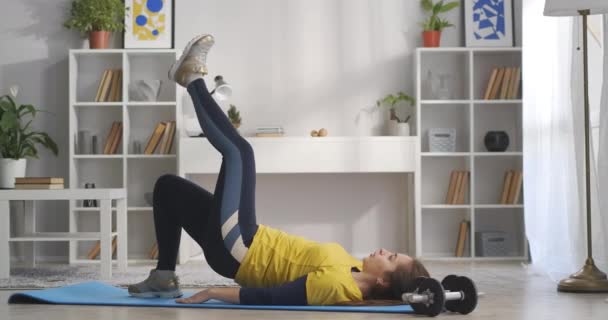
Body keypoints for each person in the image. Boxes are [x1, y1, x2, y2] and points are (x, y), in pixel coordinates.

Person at [127, 34, 430, 306]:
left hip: (240, 250)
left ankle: (192, 79)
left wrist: (213, 293)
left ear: (383, 281)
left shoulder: (338, 285)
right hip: (246, 240)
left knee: (239, 153)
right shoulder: (352, 266)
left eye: (390, 257)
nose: (384, 250)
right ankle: (163, 277)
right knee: (168, 188)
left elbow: (274, 297)